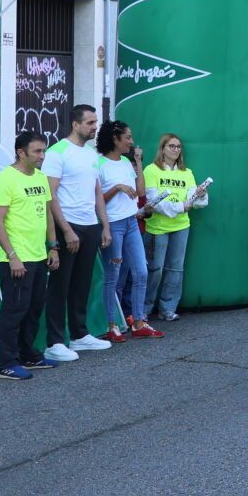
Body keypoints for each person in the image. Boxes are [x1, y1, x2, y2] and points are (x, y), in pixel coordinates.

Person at [0, 131, 61, 380]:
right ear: (21, 152)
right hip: (17, 259)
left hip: (39, 255)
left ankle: (28, 355)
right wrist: (12, 256)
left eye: (44, 151)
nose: (43, 156)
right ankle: (5, 363)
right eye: (37, 151)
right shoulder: (5, 179)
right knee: (14, 311)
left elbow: (47, 214)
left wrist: (53, 246)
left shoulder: (41, 177)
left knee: (33, 309)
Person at [42, 105, 110, 359]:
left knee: (82, 284)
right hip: (68, 226)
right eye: (90, 122)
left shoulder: (92, 153)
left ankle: (80, 335)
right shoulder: (57, 152)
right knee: (60, 285)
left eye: (95, 122)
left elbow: (96, 192)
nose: (94, 127)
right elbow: (51, 196)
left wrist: (103, 225)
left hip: (90, 224)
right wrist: (66, 230)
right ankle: (55, 341)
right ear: (75, 124)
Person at [96, 122, 158, 337]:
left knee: (141, 271)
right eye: (128, 137)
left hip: (131, 222)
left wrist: (138, 162)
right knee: (112, 275)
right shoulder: (99, 164)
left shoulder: (125, 162)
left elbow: (140, 191)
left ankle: (139, 322)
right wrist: (117, 188)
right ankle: (111, 324)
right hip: (113, 224)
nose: (131, 141)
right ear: (115, 138)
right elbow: (97, 201)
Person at [144, 133, 208, 319]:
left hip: (181, 226)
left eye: (178, 146)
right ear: (162, 149)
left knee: (175, 269)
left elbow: (196, 202)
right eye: (171, 146)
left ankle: (167, 309)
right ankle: (144, 310)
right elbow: (153, 202)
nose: (175, 149)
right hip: (157, 227)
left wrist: (200, 194)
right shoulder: (151, 170)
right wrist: (181, 206)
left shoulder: (186, 173)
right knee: (154, 269)